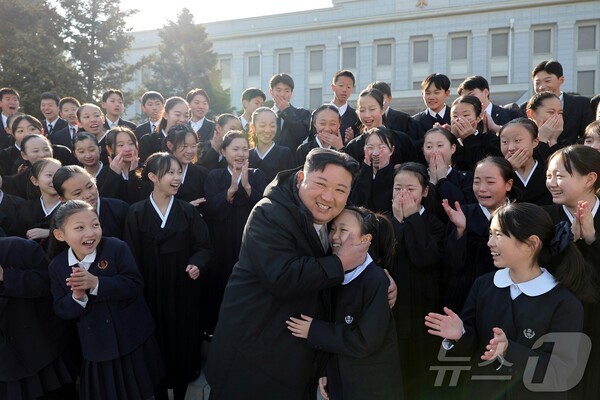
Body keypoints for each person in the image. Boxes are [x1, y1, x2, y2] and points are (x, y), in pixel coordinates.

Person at [205, 148, 396, 399]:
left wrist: (378, 275)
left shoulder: (329, 219)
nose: (329, 196)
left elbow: (353, 247)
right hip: (252, 359)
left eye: (340, 189)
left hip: (297, 363)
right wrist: (339, 263)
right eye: (321, 184)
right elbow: (282, 276)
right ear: (299, 179)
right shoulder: (269, 213)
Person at [426, 202, 593, 399]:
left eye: (499, 235)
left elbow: (561, 372)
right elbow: (472, 350)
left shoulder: (564, 302)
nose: (490, 242)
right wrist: (460, 334)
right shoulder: (484, 285)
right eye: (490, 233)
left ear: (531, 244)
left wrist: (509, 350)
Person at [48, 200, 164, 400]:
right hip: (97, 346)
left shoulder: (116, 248)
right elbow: (60, 309)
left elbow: (135, 283)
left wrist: (96, 283)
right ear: (60, 235)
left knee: (147, 389)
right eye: (79, 228)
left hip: (132, 337)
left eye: (95, 224)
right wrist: (77, 297)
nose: (90, 233)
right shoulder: (58, 266)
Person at [286, 206, 402, 400]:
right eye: (333, 228)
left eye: (344, 230)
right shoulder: (330, 273)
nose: (335, 236)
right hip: (341, 378)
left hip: (371, 385)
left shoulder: (375, 280)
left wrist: (314, 331)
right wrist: (324, 369)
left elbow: (365, 341)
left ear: (365, 240)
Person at [123, 153, 212, 400]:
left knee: (183, 344)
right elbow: (130, 255)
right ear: (152, 177)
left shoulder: (187, 211)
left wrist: (197, 264)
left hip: (184, 291)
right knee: (154, 347)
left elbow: (204, 247)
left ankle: (182, 392)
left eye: (178, 172)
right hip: (150, 293)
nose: (177, 178)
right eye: (170, 172)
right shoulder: (136, 212)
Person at [543, 145, 600, 398]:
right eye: (548, 176)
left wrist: (592, 241)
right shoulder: (542, 218)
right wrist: (568, 247)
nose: (552, 183)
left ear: (590, 179)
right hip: (556, 320)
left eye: (560, 176)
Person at [390, 162, 445, 399]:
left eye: (410, 188)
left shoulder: (435, 224)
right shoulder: (384, 222)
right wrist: (397, 222)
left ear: (424, 192)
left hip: (424, 309)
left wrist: (411, 219)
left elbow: (424, 257)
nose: (403, 194)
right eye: (398, 187)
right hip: (394, 311)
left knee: (422, 373)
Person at [0, 236, 79, 400]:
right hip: (6, 366)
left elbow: (49, 283)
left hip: (44, 356)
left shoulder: (17, 247)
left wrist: (6, 276)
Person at [203, 130, 267, 333]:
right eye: (235, 149)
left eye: (245, 149)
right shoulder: (215, 175)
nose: (241, 154)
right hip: (221, 238)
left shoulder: (258, 174)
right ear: (223, 151)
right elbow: (211, 210)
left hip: (250, 238)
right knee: (221, 281)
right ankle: (218, 331)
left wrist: (247, 187)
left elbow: (265, 208)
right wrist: (230, 191)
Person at [442, 156, 515, 312]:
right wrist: (460, 230)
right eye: (476, 181)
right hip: (467, 296)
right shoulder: (463, 213)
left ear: (508, 184)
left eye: (490, 182)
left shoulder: (519, 215)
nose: (481, 189)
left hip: (509, 294)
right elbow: (451, 263)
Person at [525, 60, 594, 146]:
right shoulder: (525, 107)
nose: (542, 87)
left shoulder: (580, 103)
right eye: (537, 83)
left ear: (561, 80)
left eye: (547, 81)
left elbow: (588, 135)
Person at [345, 88, 417, 167]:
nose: (367, 115)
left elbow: (415, 169)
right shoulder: (353, 146)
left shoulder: (402, 140)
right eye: (362, 110)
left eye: (372, 109)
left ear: (383, 109)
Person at [53, 165, 130, 239]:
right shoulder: (60, 220)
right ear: (62, 199)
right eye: (77, 193)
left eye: (90, 186)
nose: (88, 195)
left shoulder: (119, 209)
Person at [423, 127, 475, 223]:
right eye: (429, 147)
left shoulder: (467, 177)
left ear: (453, 148)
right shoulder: (418, 176)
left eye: (440, 145)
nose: (434, 151)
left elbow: (462, 207)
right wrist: (432, 182)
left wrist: (443, 179)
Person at [499, 118, 552, 205]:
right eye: (504, 142)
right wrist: (506, 171)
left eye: (517, 140)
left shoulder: (548, 172)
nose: (511, 148)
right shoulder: (498, 173)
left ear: (535, 142)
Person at [349, 126, 396, 213]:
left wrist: (383, 172)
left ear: (392, 150)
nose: (375, 153)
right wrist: (365, 170)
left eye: (381, 147)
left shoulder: (398, 177)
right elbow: (355, 203)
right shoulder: (355, 175)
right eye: (370, 147)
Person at [16, 158, 61, 248]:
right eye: (49, 175)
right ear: (35, 180)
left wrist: (50, 233)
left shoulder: (72, 206)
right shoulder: (25, 207)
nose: (55, 179)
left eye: (59, 174)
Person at [163, 124, 210, 212]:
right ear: (170, 145)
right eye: (184, 146)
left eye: (193, 146)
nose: (190, 151)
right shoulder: (160, 172)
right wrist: (187, 207)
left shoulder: (202, 174)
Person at [450, 95, 502, 172]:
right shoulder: (448, 141)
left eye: (466, 115)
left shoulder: (490, 139)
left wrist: (469, 138)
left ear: (478, 117)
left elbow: (486, 167)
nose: (459, 119)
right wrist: (451, 138)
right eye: (455, 116)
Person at [457, 76, 521, 134]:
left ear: (486, 92)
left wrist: (495, 128)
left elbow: (525, 132)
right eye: (465, 97)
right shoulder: (460, 120)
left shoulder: (509, 111)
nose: (468, 100)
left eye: (472, 95)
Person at [248, 107, 294, 183]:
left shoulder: (284, 153)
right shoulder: (248, 155)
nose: (267, 130)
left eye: (272, 126)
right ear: (253, 127)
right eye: (262, 126)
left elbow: (289, 183)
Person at [269, 73, 312, 152]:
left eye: (287, 91)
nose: (282, 95)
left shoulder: (302, 113)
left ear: (291, 93)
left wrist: (286, 111)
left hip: (292, 162)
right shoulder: (266, 114)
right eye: (278, 90)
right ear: (271, 92)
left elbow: (302, 135)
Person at [139, 96, 189, 163]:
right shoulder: (149, 141)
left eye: (186, 116)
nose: (182, 120)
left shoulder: (190, 142)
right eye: (178, 115)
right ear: (165, 115)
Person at [409, 73, 451, 150]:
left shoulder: (455, 117)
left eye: (436, 92)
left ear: (446, 93)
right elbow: (412, 149)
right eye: (427, 93)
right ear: (422, 94)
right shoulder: (414, 121)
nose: (431, 97)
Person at [525, 91, 564, 160]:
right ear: (531, 113)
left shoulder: (564, 142)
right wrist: (542, 139)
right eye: (551, 112)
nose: (557, 117)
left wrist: (553, 140)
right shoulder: (521, 140)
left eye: (560, 113)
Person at [331, 70, 359, 143]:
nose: (344, 90)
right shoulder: (320, 113)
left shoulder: (356, 116)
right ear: (333, 87)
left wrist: (352, 140)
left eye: (349, 87)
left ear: (352, 89)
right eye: (341, 85)